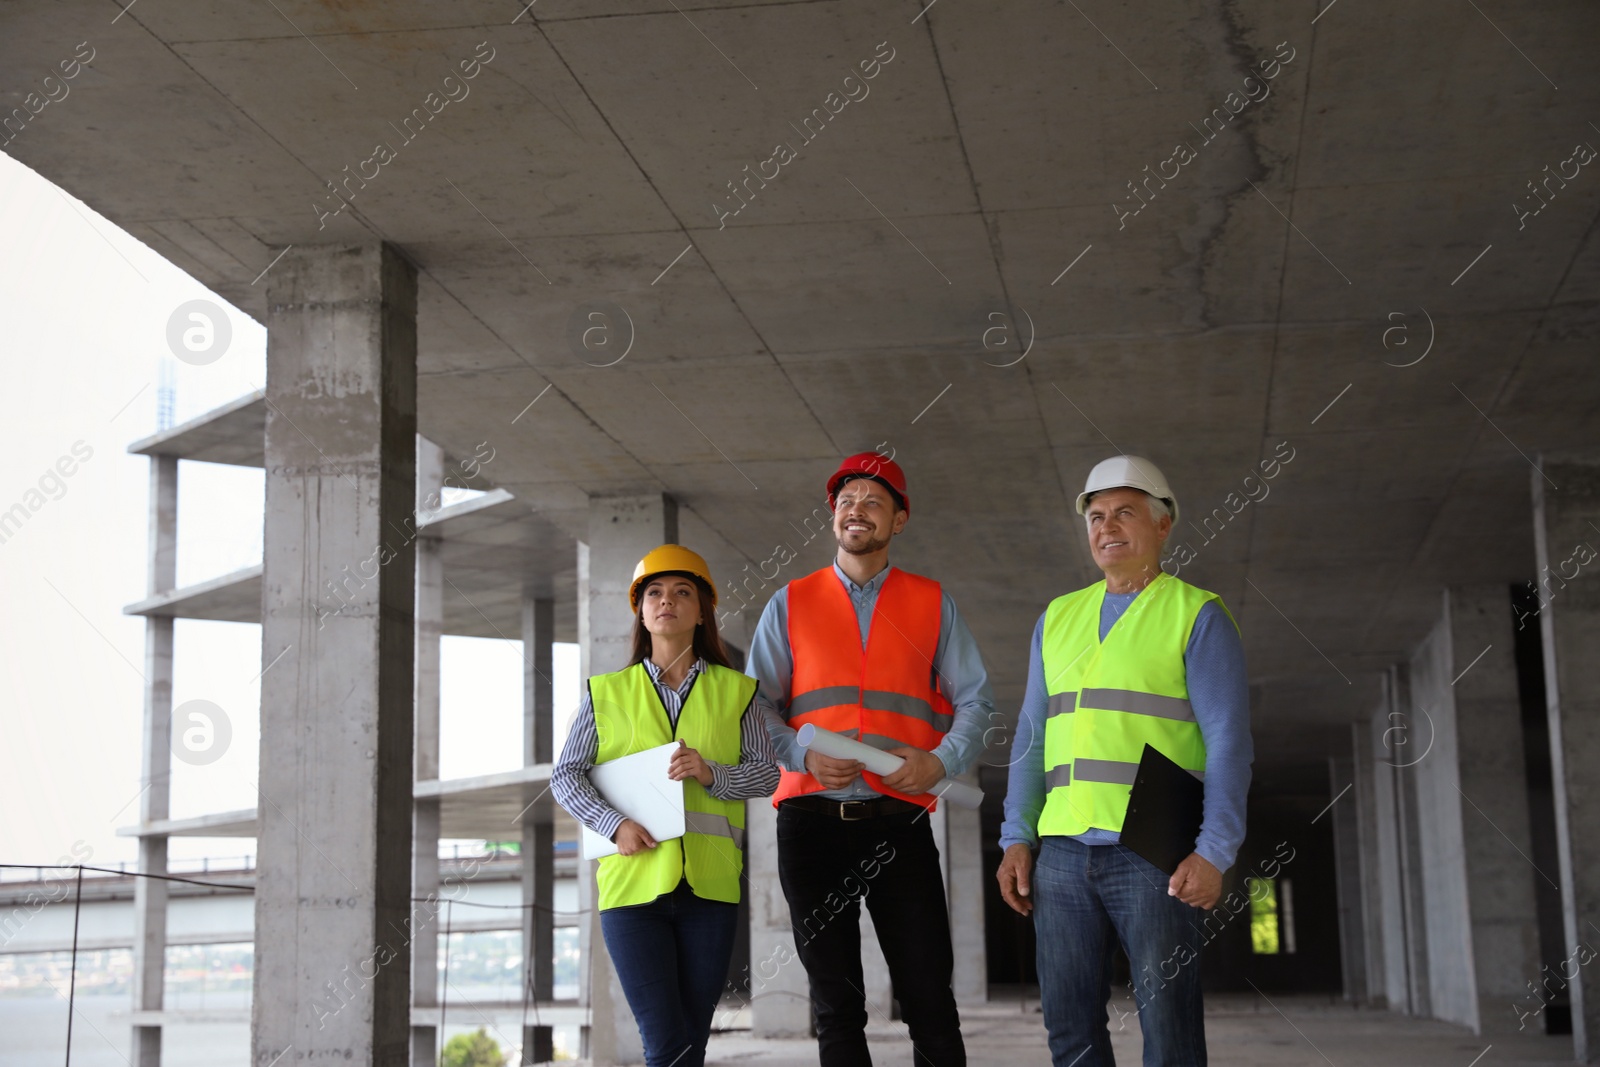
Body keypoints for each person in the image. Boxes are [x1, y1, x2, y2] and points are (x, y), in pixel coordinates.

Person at [996, 456, 1253, 1066]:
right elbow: (1032, 736)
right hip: (1059, 852)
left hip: (1153, 850)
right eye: (1096, 515)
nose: (1107, 527)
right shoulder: (1057, 617)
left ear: (1163, 526)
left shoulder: (1197, 614)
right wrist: (1016, 835)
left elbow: (1228, 743)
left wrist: (1215, 851)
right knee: (1068, 1027)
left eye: (1125, 513)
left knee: (1169, 1029)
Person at [749, 451, 994, 1067]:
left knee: (929, 999)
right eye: (846, 501)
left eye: (874, 501)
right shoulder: (791, 602)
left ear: (899, 520)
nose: (856, 510)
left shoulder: (932, 602)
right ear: (833, 515)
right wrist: (800, 757)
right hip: (809, 825)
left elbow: (977, 702)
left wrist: (939, 763)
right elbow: (756, 710)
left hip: (897, 822)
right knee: (836, 1008)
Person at [551, 544, 780, 1067]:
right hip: (632, 893)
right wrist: (614, 825)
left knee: (689, 1045)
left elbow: (767, 773)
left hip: (710, 892)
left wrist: (712, 773)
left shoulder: (738, 692)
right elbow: (565, 776)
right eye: (653, 593)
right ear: (641, 610)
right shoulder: (604, 693)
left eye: (682, 592)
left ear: (702, 612)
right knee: (667, 1044)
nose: (666, 601)